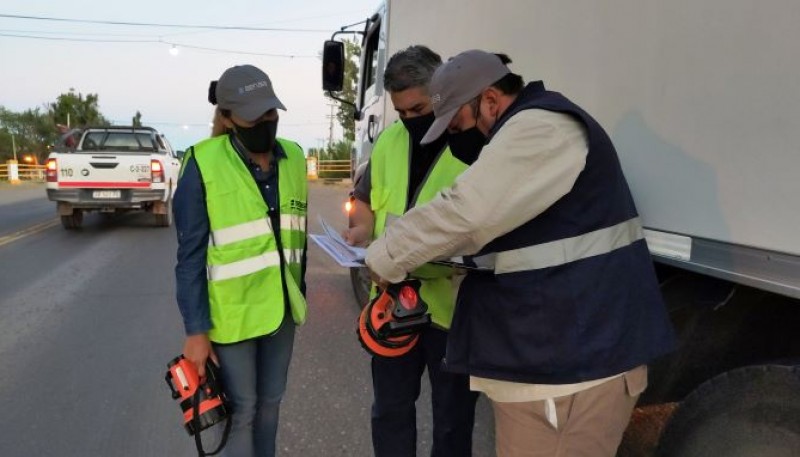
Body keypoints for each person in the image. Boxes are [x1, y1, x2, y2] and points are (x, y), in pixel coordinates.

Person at [365, 50, 676, 457]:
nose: (455, 138)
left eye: (457, 124)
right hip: (551, 361)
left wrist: (385, 255)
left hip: (576, 370)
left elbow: (467, 212)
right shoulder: (526, 131)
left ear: (490, 100)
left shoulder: (542, 127)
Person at [343, 45, 479, 457]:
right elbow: (365, 199)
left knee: (453, 423)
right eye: (401, 112)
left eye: (418, 110)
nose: (409, 121)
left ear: (439, 94)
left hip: (452, 311)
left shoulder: (474, 144)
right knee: (390, 412)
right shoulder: (388, 141)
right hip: (391, 306)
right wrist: (360, 228)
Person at [173, 64, 308, 457]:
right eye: (254, 117)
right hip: (231, 316)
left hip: (282, 311)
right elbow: (189, 257)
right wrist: (196, 332)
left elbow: (294, 235)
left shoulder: (295, 158)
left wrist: (299, 292)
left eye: (271, 112)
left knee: (270, 406)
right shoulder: (203, 162)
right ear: (228, 119)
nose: (267, 122)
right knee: (242, 411)